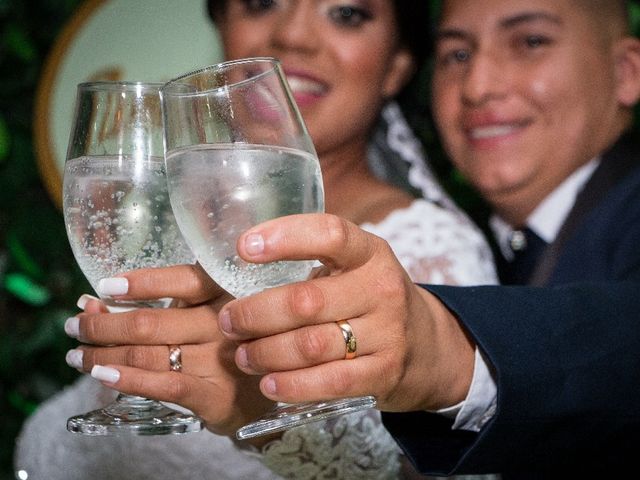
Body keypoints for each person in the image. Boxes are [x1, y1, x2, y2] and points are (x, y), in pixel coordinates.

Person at [47, 0, 640, 477]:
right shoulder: (529, 244)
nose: (480, 84)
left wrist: (450, 346)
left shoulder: (439, 245)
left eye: (530, 40)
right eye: (457, 53)